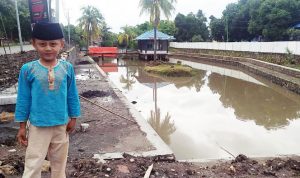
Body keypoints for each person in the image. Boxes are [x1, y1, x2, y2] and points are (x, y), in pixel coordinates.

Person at [15, 22, 81, 178]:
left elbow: (72, 94)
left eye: (53, 44)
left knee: (59, 164)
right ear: (34, 44)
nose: (48, 48)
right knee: (33, 163)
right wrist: (22, 126)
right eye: (42, 44)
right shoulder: (28, 69)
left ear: (61, 44)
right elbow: (23, 99)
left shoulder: (67, 68)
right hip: (38, 126)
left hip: (61, 124)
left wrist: (74, 117)